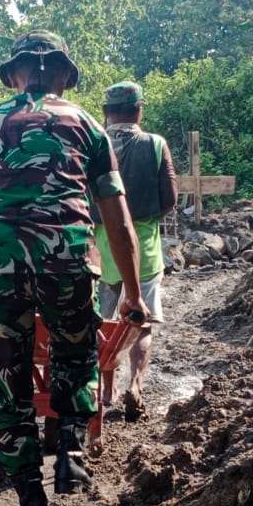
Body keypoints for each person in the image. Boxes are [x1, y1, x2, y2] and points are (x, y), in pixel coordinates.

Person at [0, 31, 150, 506]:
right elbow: (118, 221)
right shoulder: (90, 128)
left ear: (13, 75)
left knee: (9, 385)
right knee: (76, 356)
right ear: (67, 78)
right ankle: (69, 450)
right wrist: (133, 294)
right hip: (69, 263)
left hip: (0, 270)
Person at [91, 81, 177, 423]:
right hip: (144, 246)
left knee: (106, 323)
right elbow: (169, 197)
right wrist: (149, 219)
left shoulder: (94, 144)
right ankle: (136, 386)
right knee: (141, 324)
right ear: (139, 110)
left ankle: (107, 391)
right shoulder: (155, 145)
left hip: (101, 248)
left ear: (105, 113)